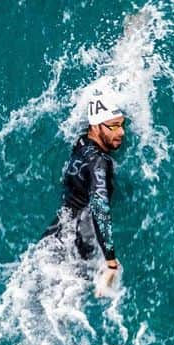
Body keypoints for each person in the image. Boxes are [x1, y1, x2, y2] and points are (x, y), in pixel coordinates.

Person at [41, 89, 128, 294]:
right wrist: (111, 263)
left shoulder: (81, 142)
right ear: (96, 127)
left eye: (121, 125)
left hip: (55, 233)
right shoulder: (100, 163)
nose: (121, 132)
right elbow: (99, 207)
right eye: (113, 126)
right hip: (76, 243)